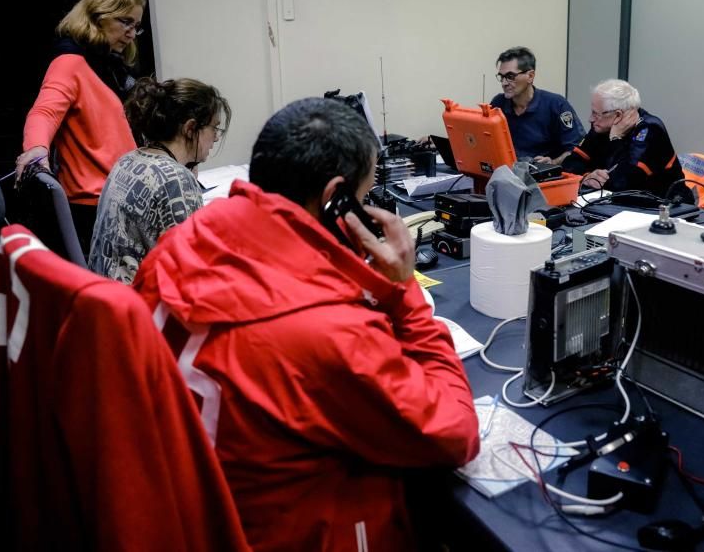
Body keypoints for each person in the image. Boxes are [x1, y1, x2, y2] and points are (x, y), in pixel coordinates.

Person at [132, 97, 480, 551]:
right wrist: (403, 295)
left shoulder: (177, 246)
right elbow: (454, 435)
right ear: (336, 199)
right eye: (363, 196)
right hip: (301, 530)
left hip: (195, 514)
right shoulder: (329, 333)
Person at [15, 0, 146, 253]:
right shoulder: (70, 63)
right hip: (96, 207)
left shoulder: (111, 67)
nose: (132, 33)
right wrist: (36, 149)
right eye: (125, 22)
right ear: (98, 17)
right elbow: (44, 111)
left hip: (120, 194)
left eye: (136, 26)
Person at [88, 77, 231, 284]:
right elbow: (192, 273)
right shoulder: (176, 180)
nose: (216, 138)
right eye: (214, 128)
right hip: (140, 307)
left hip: (105, 297)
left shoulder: (128, 159)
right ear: (190, 129)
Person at [562, 79, 692, 203]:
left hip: (664, 206)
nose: (590, 119)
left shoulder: (650, 129)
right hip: (615, 203)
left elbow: (623, 183)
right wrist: (586, 177)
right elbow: (569, 164)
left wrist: (616, 138)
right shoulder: (601, 126)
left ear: (618, 115)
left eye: (596, 114)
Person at [489, 46, 585, 164]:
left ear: (530, 76)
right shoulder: (498, 103)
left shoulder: (556, 105)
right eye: (502, 77)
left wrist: (553, 162)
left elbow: (577, 150)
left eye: (510, 77)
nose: (504, 83)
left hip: (542, 177)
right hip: (507, 173)